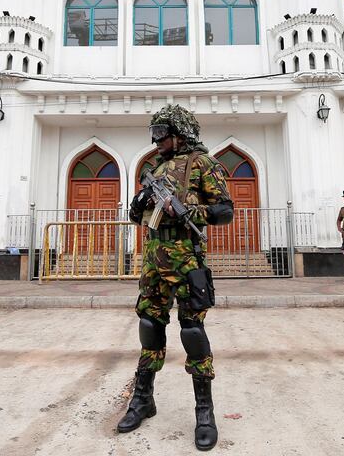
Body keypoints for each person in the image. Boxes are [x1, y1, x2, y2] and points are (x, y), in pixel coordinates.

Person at [119, 104, 234, 451]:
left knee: (192, 331)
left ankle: (204, 411)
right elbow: (135, 214)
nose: (155, 141)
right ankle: (143, 399)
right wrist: (142, 199)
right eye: (152, 135)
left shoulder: (204, 164)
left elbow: (225, 210)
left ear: (180, 133)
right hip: (154, 260)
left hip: (186, 260)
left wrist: (187, 210)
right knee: (150, 327)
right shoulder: (155, 168)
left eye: (161, 134)